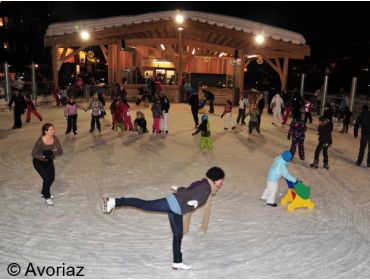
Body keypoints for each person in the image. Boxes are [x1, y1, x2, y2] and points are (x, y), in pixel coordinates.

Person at [102, 167, 225, 270]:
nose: (222, 182)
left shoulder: (202, 183)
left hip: (177, 208)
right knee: (146, 205)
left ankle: (177, 261)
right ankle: (115, 201)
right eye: (221, 180)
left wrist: (179, 189)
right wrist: (196, 202)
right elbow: (200, 195)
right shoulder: (206, 188)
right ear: (214, 180)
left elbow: (189, 190)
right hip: (174, 205)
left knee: (178, 235)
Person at [31, 123, 63, 205]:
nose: (53, 131)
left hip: (49, 161)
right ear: (46, 131)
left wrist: (52, 155)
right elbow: (34, 153)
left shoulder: (55, 139)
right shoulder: (40, 141)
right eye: (51, 130)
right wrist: (44, 157)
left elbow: (60, 151)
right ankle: (47, 196)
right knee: (46, 179)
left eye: (53, 129)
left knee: (52, 178)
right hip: (38, 161)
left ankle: (44, 192)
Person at [310, 104, 333, 169]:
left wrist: (320, 126)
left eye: (320, 121)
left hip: (325, 141)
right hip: (326, 141)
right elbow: (320, 131)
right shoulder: (326, 124)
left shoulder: (325, 124)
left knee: (318, 151)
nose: (319, 122)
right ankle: (325, 164)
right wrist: (318, 130)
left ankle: (316, 163)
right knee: (324, 152)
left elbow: (322, 127)